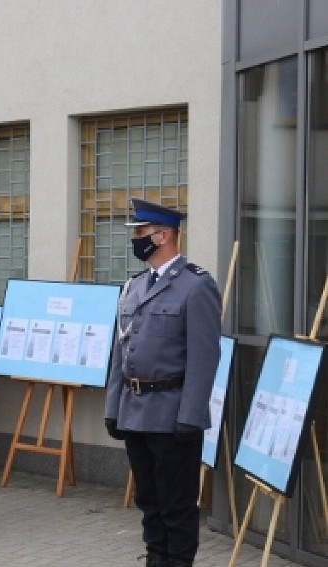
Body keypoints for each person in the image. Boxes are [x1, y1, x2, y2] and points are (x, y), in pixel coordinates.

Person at [104, 198, 221, 567]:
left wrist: (191, 415)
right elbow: (118, 354)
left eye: (141, 233)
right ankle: (156, 559)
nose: (135, 239)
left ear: (164, 235)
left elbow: (205, 357)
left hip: (172, 415)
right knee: (148, 500)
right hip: (135, 412)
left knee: (177, 504)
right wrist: (112, 408)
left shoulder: (195, 286)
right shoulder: (134, 286)